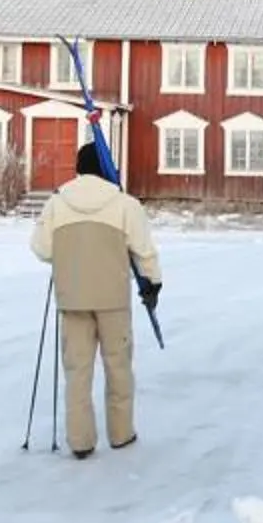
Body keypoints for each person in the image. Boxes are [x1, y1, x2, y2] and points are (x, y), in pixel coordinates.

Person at [29, 135, 160, 458]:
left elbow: (42, 248)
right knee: (118, 367)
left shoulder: (57, 203)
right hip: (113, 297)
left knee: (77, 371)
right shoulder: (125, 204)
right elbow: (144, 251)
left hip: (72, 296)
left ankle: (81, 441)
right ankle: (121, 433)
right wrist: (152, 284)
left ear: (78, 168)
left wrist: (68, 257)